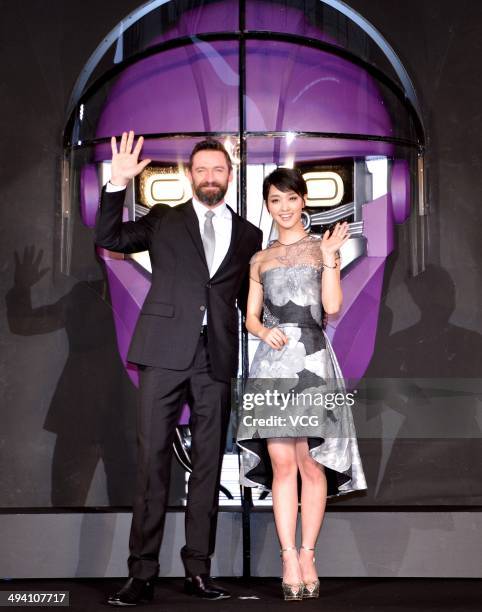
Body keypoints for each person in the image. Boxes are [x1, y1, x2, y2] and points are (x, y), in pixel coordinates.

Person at [95, 131, 262, 605]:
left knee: (208, 467)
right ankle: (142, 574)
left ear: (230, 175)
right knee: (151, 464)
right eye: (202, 170)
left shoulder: (249, 234)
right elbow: (110, 237)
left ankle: (198, 572)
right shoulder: (164, 219)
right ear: (190, 175)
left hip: (217, 357)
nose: (211, 177)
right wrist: (116, 183)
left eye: (219, 170)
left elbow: (255, 298)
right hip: (164, 352)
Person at [236, 168, 367, 601]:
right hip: (273, 363)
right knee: (282, 465)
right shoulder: (260, 259)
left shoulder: (320, 248)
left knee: (312, 464)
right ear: (268, 205)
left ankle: (308, 553)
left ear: (304, 201)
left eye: (292, 198)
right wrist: (260, 332)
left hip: (313, 359)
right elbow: (251, 315)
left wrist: (330, 257)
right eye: (276, 200)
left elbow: (331, 306)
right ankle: (288, 556)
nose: (285, 207)